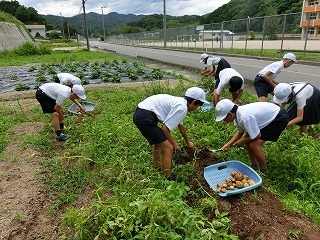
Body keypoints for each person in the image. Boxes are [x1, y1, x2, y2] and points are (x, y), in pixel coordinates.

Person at [133, 87, 209, 178]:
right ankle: (167, 178)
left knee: (158, 142)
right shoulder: (182, 108)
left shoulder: (180, 102)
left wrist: (188, 142)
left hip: (141, 113)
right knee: (168, 148)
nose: (197, 108)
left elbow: (181, 126)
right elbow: (164, 129)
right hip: (145, 117)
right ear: (194, 101)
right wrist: (174, 145)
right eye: (198, 105)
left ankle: (157, 166)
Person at [215, 99, 289, 174]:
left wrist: (242, 141)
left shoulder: (245, 117)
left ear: (230, 114)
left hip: (279, 118)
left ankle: (264, 170)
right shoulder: (238, 115)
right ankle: (254, 165)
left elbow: (257, 136)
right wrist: (228, 145)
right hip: (270, 117)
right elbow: (240, 133)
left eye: (224, 118)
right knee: (248, 140)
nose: (224, 121)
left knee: (254, 145)